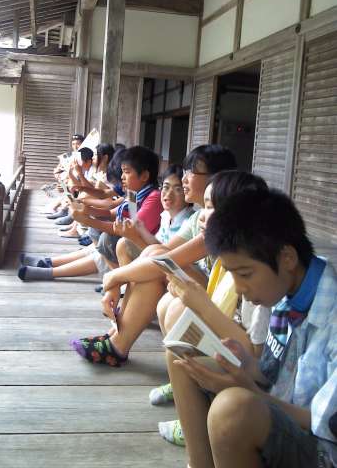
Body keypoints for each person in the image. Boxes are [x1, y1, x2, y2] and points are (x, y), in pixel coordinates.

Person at [167, 188, 337, 468]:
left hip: (323, 449)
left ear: (287, 257)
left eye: (245, 274)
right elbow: (274, 374)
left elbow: (323, 424)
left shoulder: (330, 313)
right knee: (183, 358)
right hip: (283, 410)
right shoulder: (287, 291)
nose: (239, 288)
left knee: (233, 410)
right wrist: (247, 363)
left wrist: (252, 392)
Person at [70, 146, 237, 367]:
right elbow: (162, 250)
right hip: (201, 290)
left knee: (155, 264)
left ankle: (118, 344)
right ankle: (117, 334)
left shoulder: (219, 221)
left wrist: (113, 277)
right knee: (151, 256)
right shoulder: (197, 217)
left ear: (217, 179)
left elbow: (167, 259)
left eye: (191, 172)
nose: (184, 179)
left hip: (218, 304)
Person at [153, 171, 271, 446]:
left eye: (210, 207)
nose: (202, 216)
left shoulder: (255, 273)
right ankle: (191, 411)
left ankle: (194, 424)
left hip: (253, 369)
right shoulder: (225, 257)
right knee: (178, 333)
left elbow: (255, 354)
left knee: (180, 353)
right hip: (235, 348)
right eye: (203, 206)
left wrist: (201, 305)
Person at [18, 145, 162, 282]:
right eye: (123, 172)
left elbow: (130, 229)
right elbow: (113, 213)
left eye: (127, 172)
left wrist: (87, 219)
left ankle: (117, 281)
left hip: (142, 250)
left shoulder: (153, 197)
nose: (122, 177)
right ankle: (48, 264)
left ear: (144, 176)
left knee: (106, 239)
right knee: (100, 241)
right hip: (128, 243)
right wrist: (86, 210)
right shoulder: (133, 193)